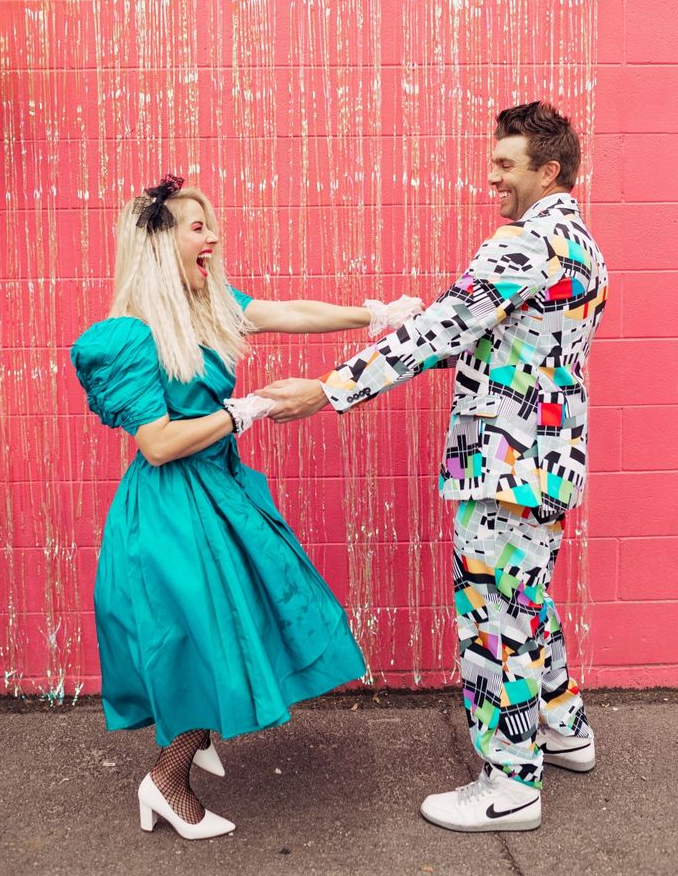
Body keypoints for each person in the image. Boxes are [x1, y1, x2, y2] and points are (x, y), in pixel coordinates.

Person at [260, 101, 608, 833]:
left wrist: (330, 388)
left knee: (496, 621)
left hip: (503, 466)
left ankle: (509, 785)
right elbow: (484, 338)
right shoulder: (582, 245)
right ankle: (564, 727)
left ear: (548, 169)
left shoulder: (521, 246)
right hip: (548, 461)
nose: (492, 177)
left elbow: (441, 328)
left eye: (507, 165)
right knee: (525, 598)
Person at [70, 176, 422, 841]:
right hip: (172, 511)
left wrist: (374, 315)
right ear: (161, 242)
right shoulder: (130, 336)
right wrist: (247, 409)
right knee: (203, 632)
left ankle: (193, 740)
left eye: (211, 224)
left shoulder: (210, 307)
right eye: (197, 227)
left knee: (233, 622)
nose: (214, 236)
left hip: (216, 496)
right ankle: (167, 781)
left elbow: (286, 310)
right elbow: (159, 442)